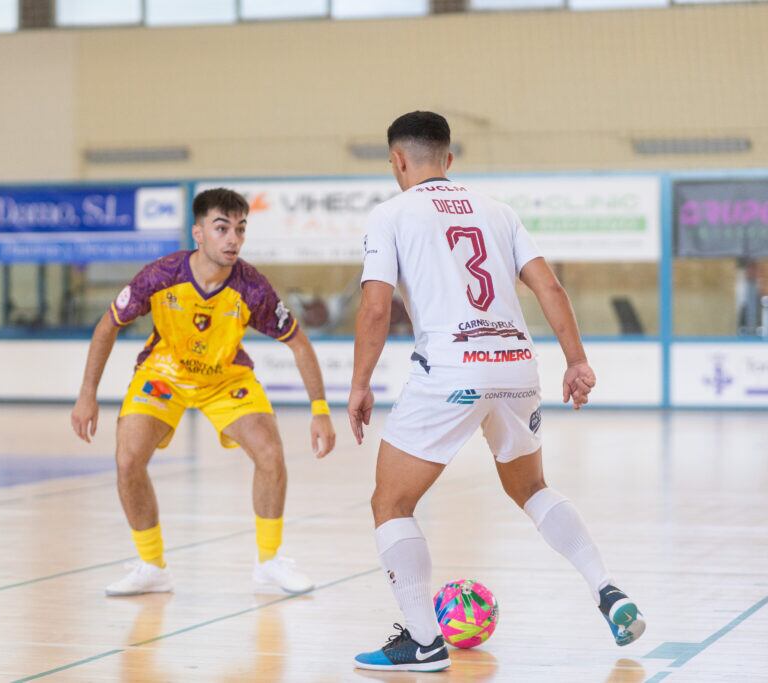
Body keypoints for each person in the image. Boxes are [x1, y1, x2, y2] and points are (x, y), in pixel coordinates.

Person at [348, 112, 646, 673]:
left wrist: (359, 383)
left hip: (450, 370)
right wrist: (576, 360)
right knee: (532, 488)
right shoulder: (499, 212)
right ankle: (605, 588)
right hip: (515, 365)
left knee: (391, 504)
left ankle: (423, 641)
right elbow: (549, 286)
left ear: (397, 161)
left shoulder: (390, 214)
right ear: (449, 160)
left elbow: (374, 306)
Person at [71, 188, 336, 597]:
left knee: (270, 453)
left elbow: (298, 342)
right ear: (198, 233)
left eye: (240, 230)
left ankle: (268, 563)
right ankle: (151, 566)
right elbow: (108, 325)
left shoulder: (253, 288)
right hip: (164, 375)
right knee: (127, 460)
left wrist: (320, 410)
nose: (233, 239)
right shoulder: (160, 275)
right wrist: (87, 394)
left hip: (226, 379)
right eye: (222, 228)